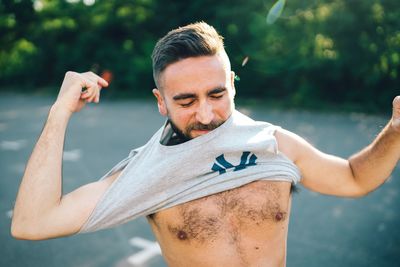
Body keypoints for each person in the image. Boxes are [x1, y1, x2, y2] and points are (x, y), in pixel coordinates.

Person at [11, 22, 400, 267]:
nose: (206, 114)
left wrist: (396, 129)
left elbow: (353, 178)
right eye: (185, 101)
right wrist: (59, 112)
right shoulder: (145, 173)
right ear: (160, 101)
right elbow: (33, 223)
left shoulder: (273, 143)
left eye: (217, 94)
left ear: (232, 82)